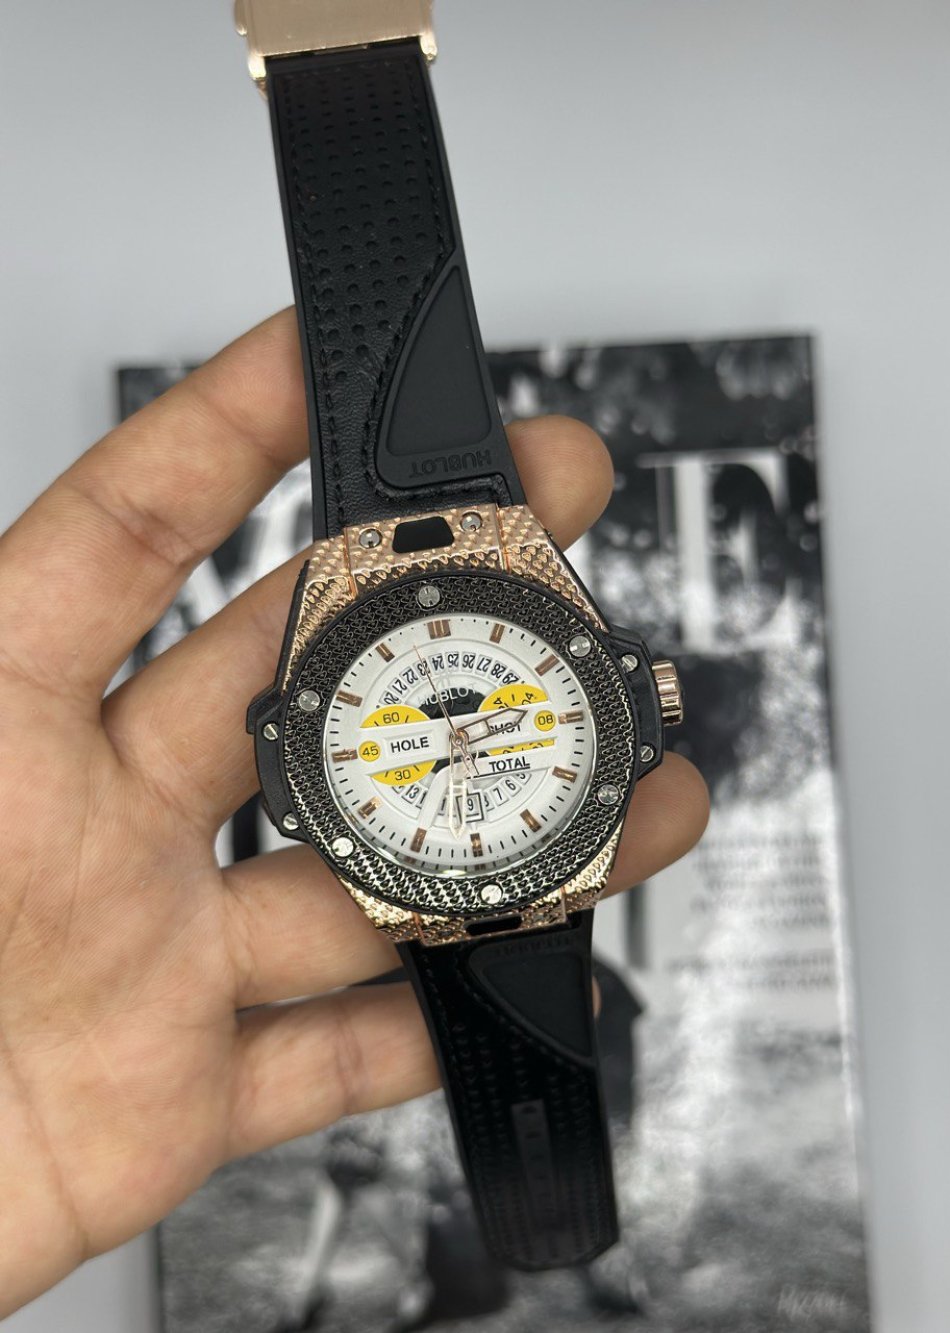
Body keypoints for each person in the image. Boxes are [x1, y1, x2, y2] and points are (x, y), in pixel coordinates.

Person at [0, 310, 710, 1318]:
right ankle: (475, 1255)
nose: (460, 739)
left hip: (469, 843)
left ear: (635, 701)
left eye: (478, 724)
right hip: (450, 852)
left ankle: (544, 1243)